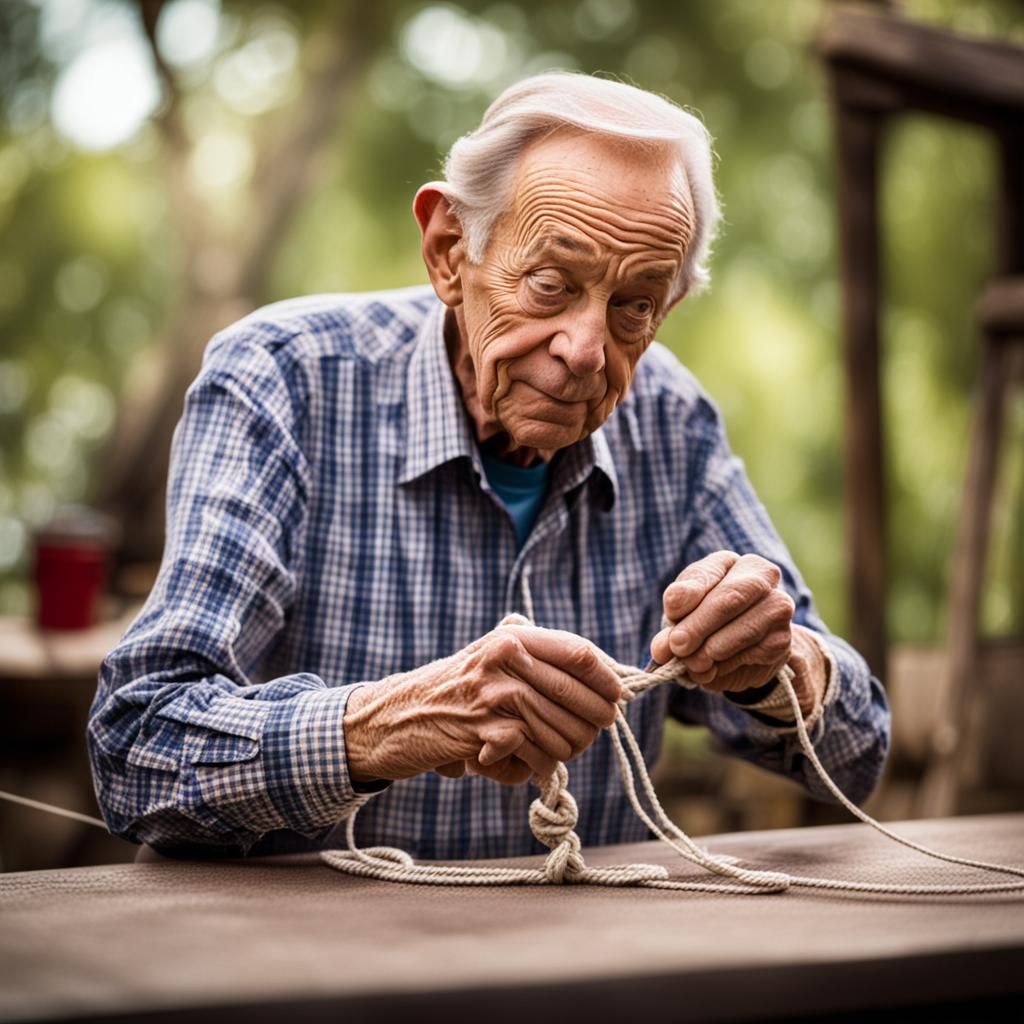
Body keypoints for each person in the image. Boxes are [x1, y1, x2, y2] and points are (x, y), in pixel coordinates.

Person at [88, 73, 890, 858]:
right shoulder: (284, 381)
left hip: (591, 943)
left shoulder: (671, 424)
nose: (585, 350)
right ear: (449, 251)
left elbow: (859, 753)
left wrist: (781, 667)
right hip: (309, 944)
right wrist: (401, 721)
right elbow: (134, 750)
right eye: (550, 283)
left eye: (634, 306)